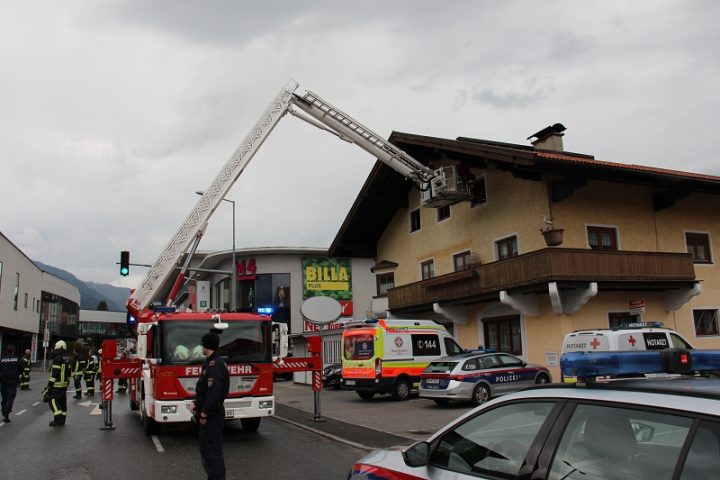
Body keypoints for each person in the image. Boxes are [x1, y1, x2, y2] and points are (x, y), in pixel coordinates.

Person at [189, 332, 229, 480]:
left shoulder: (215, 365)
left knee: (213, 454)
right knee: (207, 452)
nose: (201, 347)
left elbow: (215, 392)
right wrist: (196, 403)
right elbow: (205, 391)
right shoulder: (211, 363)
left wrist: (205, 412)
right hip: (209, 414)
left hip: (212, 416)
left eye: (202, 344)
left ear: (207, 346)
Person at [46, 340, 71, 426]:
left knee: (52, 400)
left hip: (57, 384)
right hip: (64, 384)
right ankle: (62, 420)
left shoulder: (57, 358)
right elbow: (69, 371)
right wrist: (67, 381)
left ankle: (57, 419)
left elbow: (55, 373)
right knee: (62, 402)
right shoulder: (66, 357)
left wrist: (50, 384)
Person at [1, 345, 23, 422]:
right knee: (10, 398)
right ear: (13, 352)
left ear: (6, 351)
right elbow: (21, 369)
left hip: (3, 382)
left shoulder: (2, 359)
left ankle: (4, 410)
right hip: (12, 382)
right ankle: (6, 413)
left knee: (4, 398)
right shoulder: (17, 359)